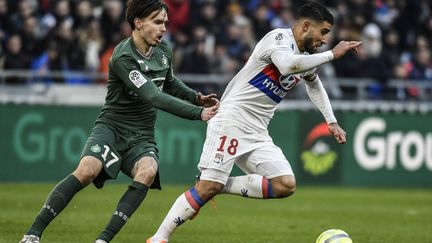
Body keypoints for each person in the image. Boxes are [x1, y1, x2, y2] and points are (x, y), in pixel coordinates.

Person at [147, 2, 361, 242]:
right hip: (232, 118)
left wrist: (331, 121)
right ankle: (158, 238)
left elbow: (314, 85)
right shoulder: (278, 39)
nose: (324, 39)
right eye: (323, 32)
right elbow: (287, 65)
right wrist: (333, 54)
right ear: (306, 26)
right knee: (208, 187)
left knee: (285, 184)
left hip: (258, 130)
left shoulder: (306, 57)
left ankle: (221, 184)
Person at [19, 0, 219, 243]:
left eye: (165, 23)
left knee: (147, 171)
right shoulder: (122, 57)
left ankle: (103, 240)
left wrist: (196, 98)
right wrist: (197, 113)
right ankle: (32, 234)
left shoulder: (164, 49)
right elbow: (153, 96)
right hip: (112, 128)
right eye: (157, 22)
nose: (164, 28)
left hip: (142, 134)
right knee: (86, 170)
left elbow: (168, 81)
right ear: (138, 23)